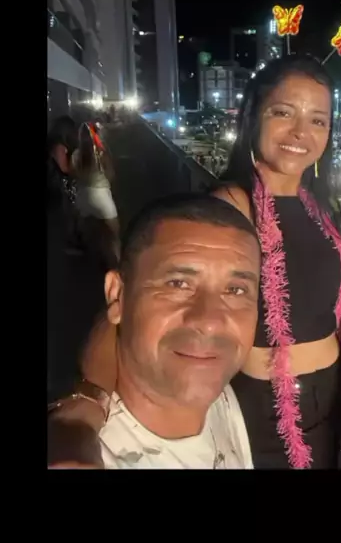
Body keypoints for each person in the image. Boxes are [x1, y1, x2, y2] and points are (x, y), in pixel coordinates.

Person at [61, 54, 341, 470]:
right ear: (254, 116)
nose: (301, 132)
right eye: (283, 112)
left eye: (318, 120)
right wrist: (82, 410)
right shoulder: (232, 207)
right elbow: (128, 308)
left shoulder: (317, 210)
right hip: (261, 410)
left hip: (329, 399)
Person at [48, 195, 261, 469]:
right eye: (178, 284)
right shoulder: (84, 455)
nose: (210, 322)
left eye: (235, 290)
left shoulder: (217, 390)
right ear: (117, 294)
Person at [72, 122, 120, 269]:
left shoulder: (76, 154)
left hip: (83, 196)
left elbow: (74, 175)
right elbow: (111, 175)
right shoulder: (101, 153)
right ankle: (116, 266)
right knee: (114, 235)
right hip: (102, 196)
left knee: (85, 233)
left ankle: (87, 262)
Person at [47, 115, 82, 253]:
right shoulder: (59, 147)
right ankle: (72, 242)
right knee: (70, 211)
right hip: (59, 187)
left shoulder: (55, 144)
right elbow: (64, 168)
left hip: (58, 186)